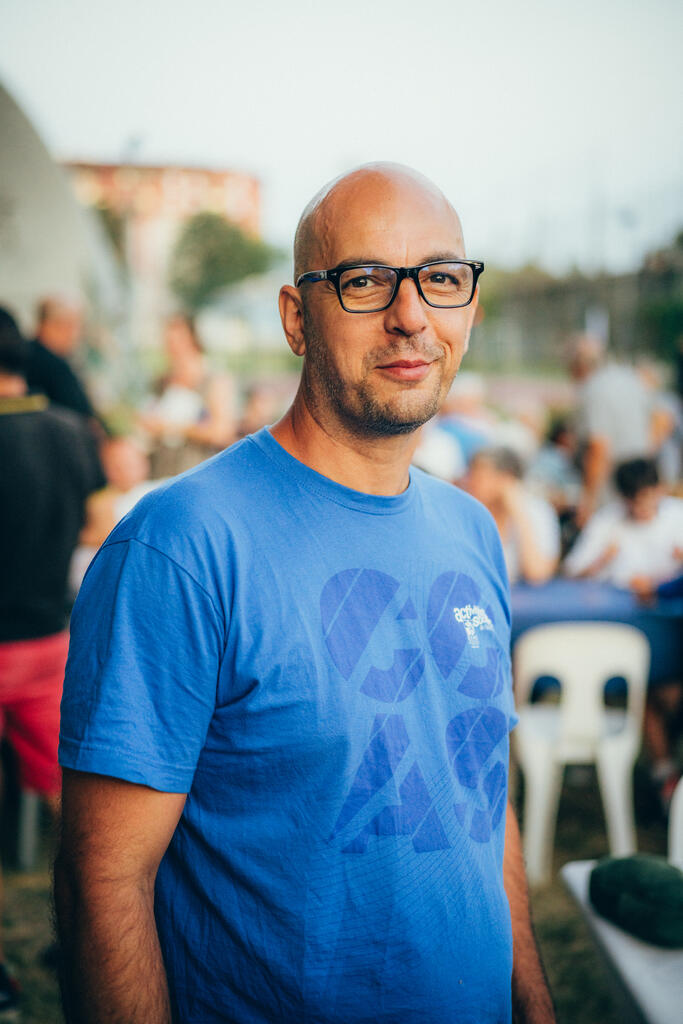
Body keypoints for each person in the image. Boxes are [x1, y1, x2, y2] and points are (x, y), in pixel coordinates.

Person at [55, 164, 555, 1023]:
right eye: (363, 281)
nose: (409, 315)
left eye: (439, 279)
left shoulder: (473, 531)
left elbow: (475, 790)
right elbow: (103, 879)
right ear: (296, 318)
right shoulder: (183, 546)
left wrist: (533, 1006)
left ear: (467, 307)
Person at [0, 307, 102, 1017]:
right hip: (50, 643)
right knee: (81, 808)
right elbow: (96, 527)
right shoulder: (69, 431)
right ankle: (90, 941)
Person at [138, 313, 236, 477]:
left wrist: (172, 428)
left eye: (179, 342)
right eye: (169, 342)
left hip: (196, 471)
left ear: (193, 340)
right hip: (161, 470)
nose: (174, 348)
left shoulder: (213, 379)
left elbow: (222, 432)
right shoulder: (160, 382)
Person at [568, 334, 652, 524]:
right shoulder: (631, 379)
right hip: (640, 478)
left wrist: (588, 501)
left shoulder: (594, 388)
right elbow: (657, 420)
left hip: (612, 487)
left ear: (579, 366)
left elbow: (599, 446)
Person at [563, 457, 683, 587]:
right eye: (634, 502)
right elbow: (571, 572)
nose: (641, 507)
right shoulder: (606, 520)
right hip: (617, 600)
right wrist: (602, 560)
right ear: (623, 498)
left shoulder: (678, 513)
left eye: (647, 497)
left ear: (660, 489)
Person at [462, 447, 561, 585]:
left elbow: (537, 573)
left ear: (506, 478)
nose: (470, 483)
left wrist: (517, 511)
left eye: (479, 476)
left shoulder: (538, 511)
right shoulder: (466, 511)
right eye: (470, 474)